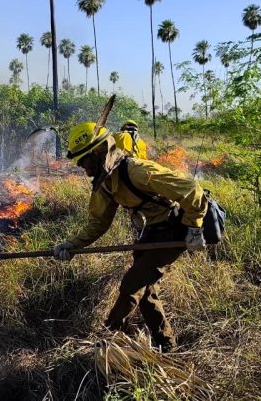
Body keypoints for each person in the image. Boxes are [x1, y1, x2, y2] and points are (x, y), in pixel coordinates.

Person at [52, 122, 208, 351]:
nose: (84, 170)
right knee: (146, 292)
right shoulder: (105, 183)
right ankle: (167, 344)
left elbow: (191, 190)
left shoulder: (137, 171)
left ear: (99, 151)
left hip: (174, 229)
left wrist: (194, 228)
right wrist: (72, 245)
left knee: (131, 286)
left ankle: (108, 339)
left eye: (84, 161)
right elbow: (98, 222)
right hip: (150, 232)